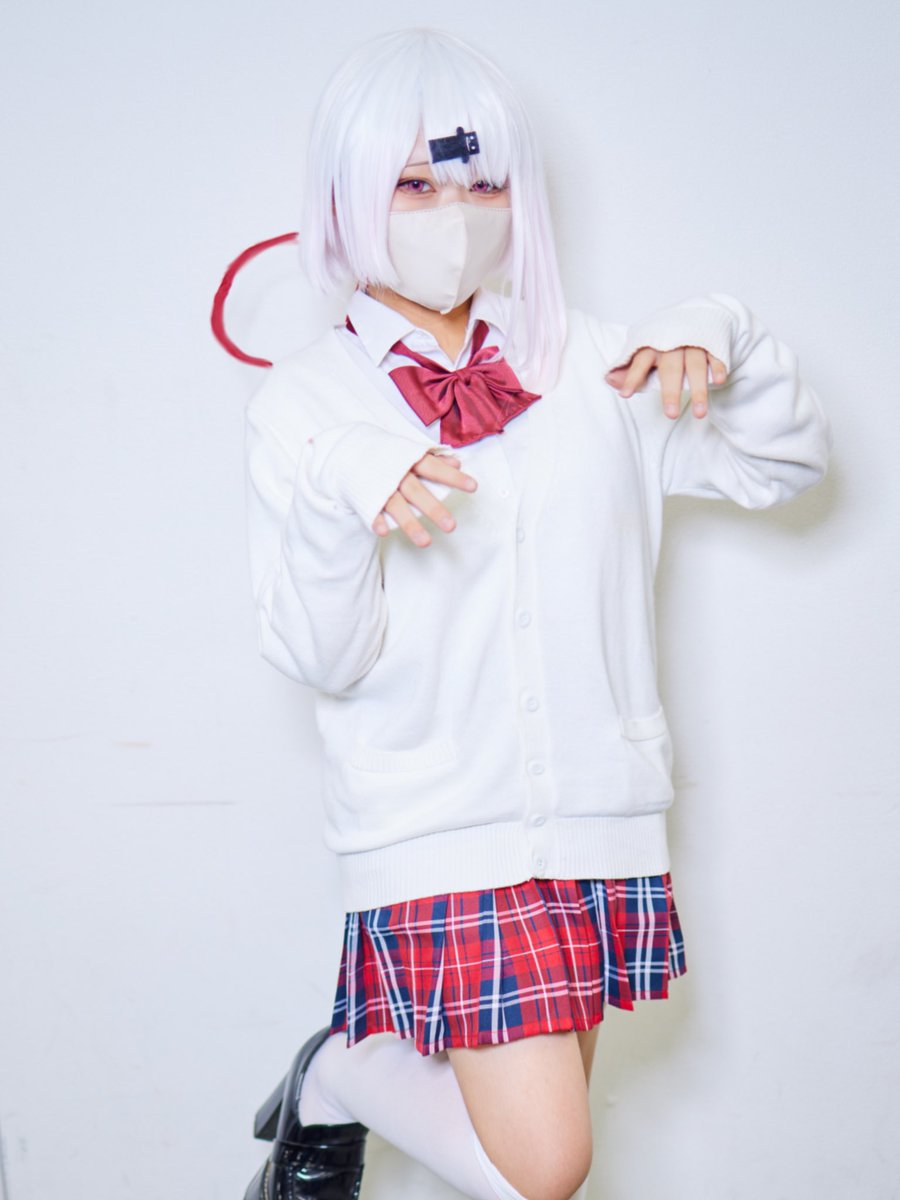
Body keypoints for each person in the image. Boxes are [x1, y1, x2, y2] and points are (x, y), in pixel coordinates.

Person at [237, 26, 832, 1200]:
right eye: (416, 184)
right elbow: (324, 656)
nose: (455, 213)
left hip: (600, 824)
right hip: (433, 832)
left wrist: (730, 334)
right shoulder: (305, 402)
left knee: (531, 1179)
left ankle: (343, 1071)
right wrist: (338, 487)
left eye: (484, 183)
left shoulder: (594, 363)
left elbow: (785, 467)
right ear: (349, 192)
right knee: (544, 1169)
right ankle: (342, 1073)